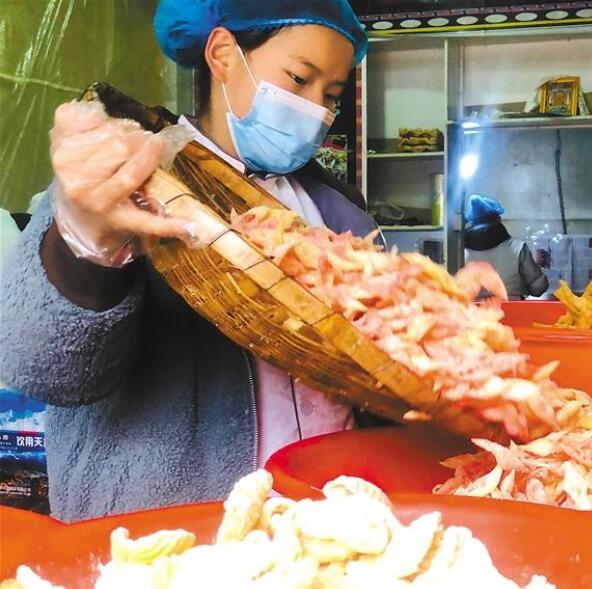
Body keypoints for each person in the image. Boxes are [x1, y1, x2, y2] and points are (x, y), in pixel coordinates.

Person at [0, 0, 380, 522]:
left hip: (328, 525)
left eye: (331, 95)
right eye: (299, 79)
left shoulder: (338, 208)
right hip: (183, 538)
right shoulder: (130, 181)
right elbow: (43, 368)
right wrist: (87, 242)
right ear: (222, 54)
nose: (316, 109)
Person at [464, 194, 548, 300]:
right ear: (498, 219)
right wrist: (537, 268)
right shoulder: (518, 248)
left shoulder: (459, 252)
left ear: (472, 222)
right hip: (512, 309)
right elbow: (539, 288)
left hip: (469, 310)